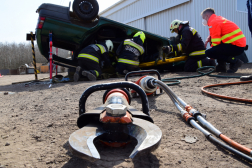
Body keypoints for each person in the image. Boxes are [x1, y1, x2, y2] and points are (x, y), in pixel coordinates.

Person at [202, 8, 246, 73]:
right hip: (238, 46)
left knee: (209, 52)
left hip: (236, 46)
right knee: (217, 49)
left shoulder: (213, 22)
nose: (203, 20)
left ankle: (235, 61)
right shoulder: (217, 19)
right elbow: (218, 34)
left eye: (203, 18)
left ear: (207, 16)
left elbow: (216, 42)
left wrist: (212, 53)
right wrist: (210, 37)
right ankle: (221, 67)